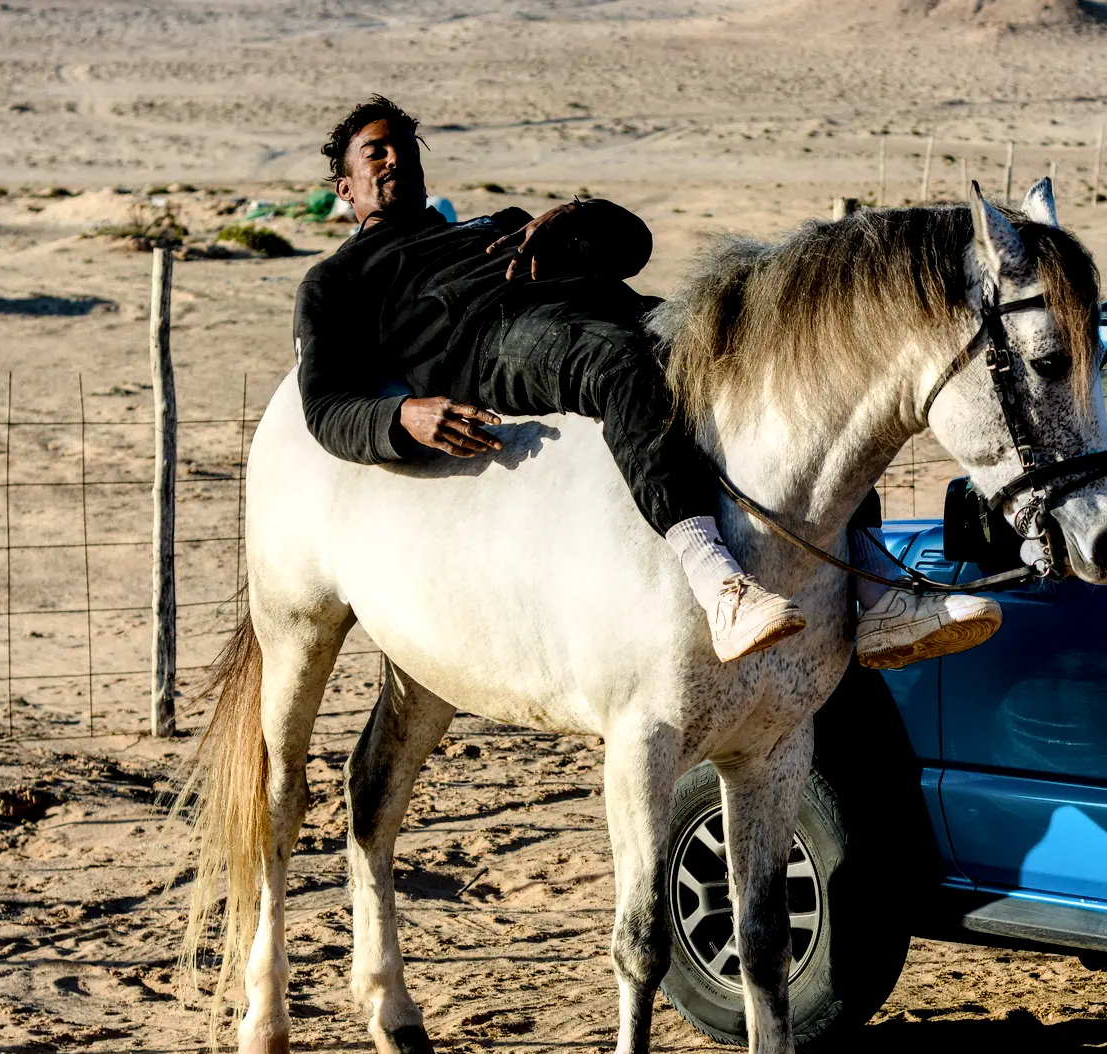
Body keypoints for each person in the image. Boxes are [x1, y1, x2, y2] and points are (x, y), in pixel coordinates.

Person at [296, 95, 1000, 668]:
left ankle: (879, 596)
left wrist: (580, 216)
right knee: (618, 362)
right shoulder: (338, 280)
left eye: (404, 148)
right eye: (375, 152)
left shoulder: (496, 222)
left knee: (768, 363)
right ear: (345, 187)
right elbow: (325, 407)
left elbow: (633, 249)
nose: (394, 159)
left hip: (605, 307)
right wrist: (402, 418)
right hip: (491, 342)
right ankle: (718, 584)